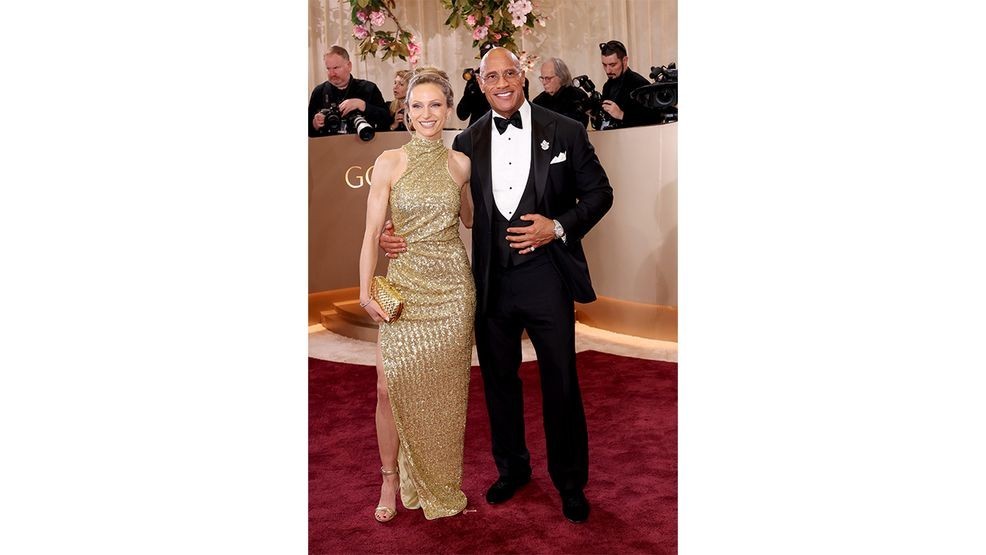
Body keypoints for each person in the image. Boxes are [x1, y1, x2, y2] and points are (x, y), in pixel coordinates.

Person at [381, 47, 613, 524]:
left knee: (561, 382)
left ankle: (570, 483)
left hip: (547, 276)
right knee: (498, 382)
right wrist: (394, 235)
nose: (502, 82)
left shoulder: (564, 129)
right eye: (492, 76)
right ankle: (512, 469)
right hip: (490, 281)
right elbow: (441, 206)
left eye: (510, 73)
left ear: (522, 77)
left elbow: (600, 193)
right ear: (480, 84)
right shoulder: (466, 143)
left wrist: (559, 225)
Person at [358, 71, 476, 522]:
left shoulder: (460, 163)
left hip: (451, 291)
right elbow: (371, 234)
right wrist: (366, 291)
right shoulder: (389, 161)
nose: (427, 114)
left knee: (445, 392)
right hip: (405, 287)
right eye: (417, 106)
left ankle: (442, 481)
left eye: (435, 105)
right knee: (387, 387)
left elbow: (467, 220)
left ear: (448, 109)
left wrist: (466, 193)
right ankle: (390, 477)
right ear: (406, 112)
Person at [308, 45, 389, 137]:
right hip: (329, 148)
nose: (331, 73)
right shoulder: (319, 92)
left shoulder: (369, 88)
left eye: (336, 68)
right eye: (328, 69)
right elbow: (309, 132)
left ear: (349, 66)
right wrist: (314, 124)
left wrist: (363, 105)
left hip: (364, 147)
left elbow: (387, 120)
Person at [598, 40, 662, 129]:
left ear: (625, 60)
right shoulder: (607, 86)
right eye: (604, 65)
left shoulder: (639, 83)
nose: (608, 70)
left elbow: (655, 118)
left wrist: (622, 115)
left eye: (612, 65)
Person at [531, 57, 589, 128]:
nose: (544, 82)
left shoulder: (577, 96)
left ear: (561, 77)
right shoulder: (538, 102)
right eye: (542, 78)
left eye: (548, 78)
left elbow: (579, 127)